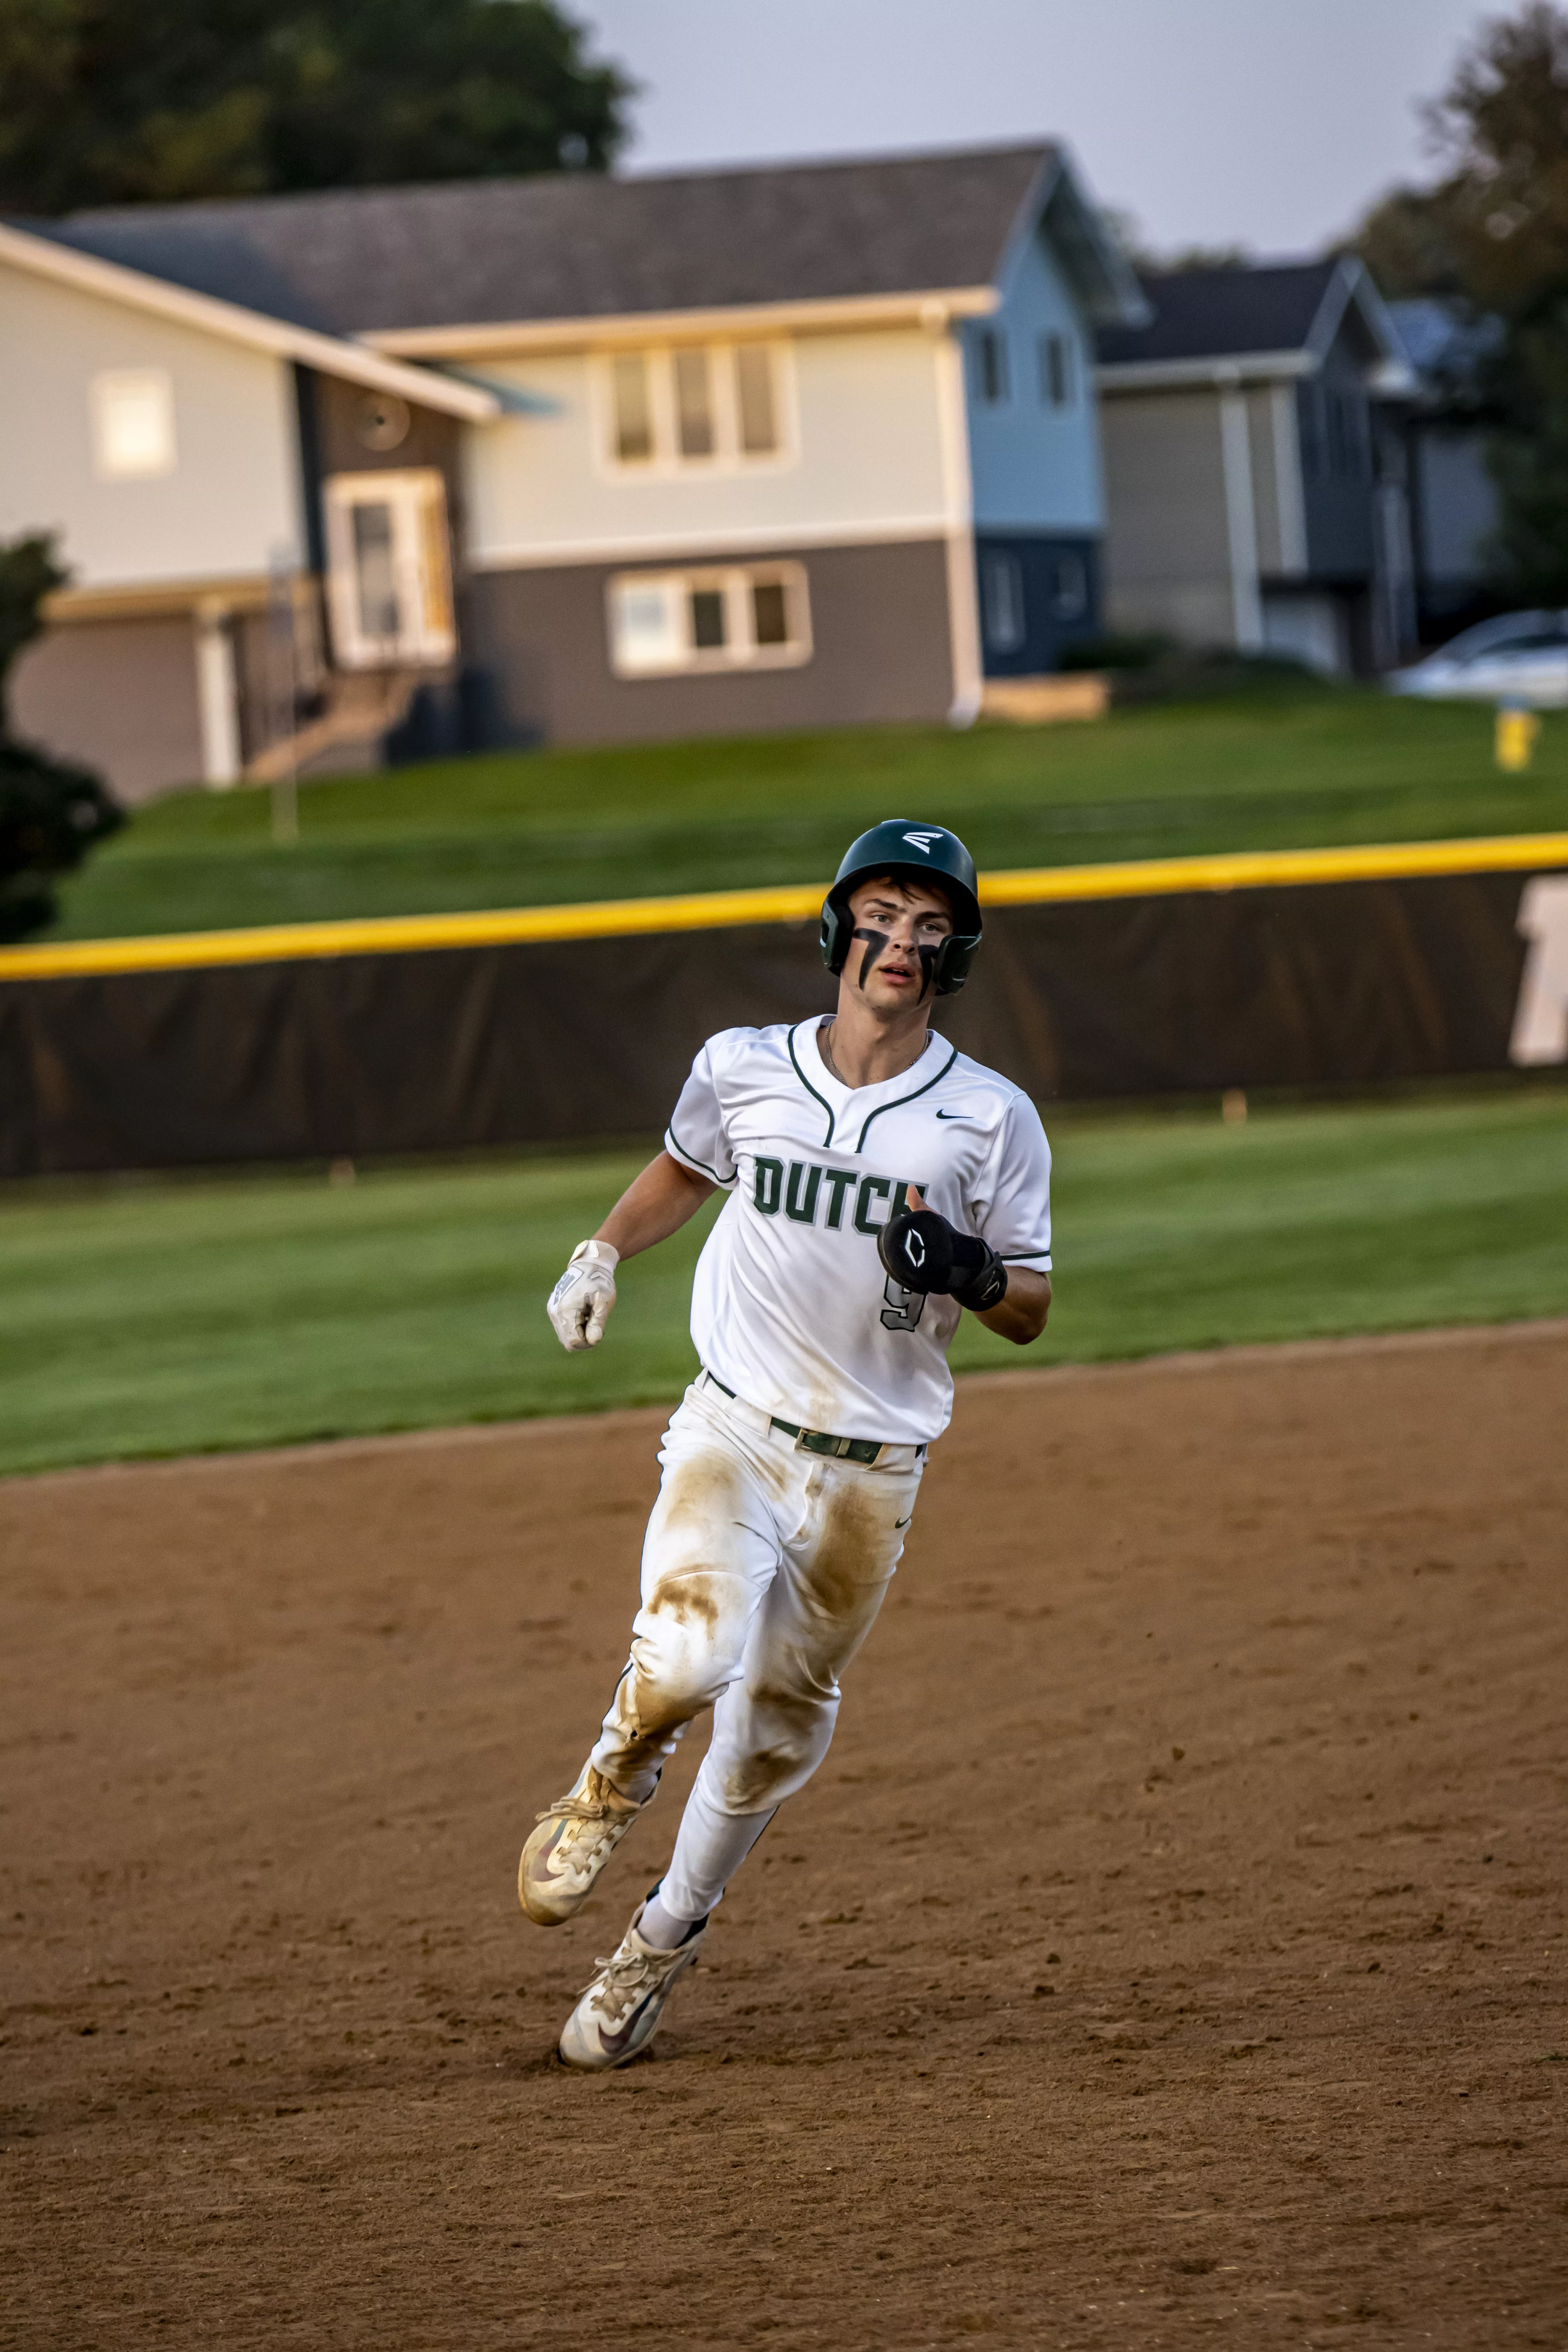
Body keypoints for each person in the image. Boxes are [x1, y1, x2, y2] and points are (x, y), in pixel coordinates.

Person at [521, 820, 1053, 2069]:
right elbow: (683, 1167)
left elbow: (1027, 1308)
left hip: (873, 1469)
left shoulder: (991, 1118)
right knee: (691, 1651)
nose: (902, 943)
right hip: (735, 1425)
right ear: (837, 929)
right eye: (882, 913)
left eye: (930, 926)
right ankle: (607, 1785)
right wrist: (602, 1250)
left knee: (767, 1738)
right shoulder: (744, 1065)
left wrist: (969, 1269)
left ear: (953, 954)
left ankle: (657, 1944)